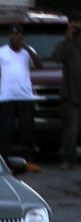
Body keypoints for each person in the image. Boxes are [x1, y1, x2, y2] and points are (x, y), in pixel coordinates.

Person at [0, 24, 43, 169]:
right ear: (9, 36)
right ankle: (5, 163)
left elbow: (39, 65)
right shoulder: (0, 52)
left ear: (22, 37)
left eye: (19, 34)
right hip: (6, 97)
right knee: (6, 131)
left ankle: (29, 162)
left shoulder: (28, 51)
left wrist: (26, 48)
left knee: (27, 131)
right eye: (13, 34)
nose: (15, 37)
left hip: (26, 97)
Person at [54, 12, 81, 169]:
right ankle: (67, 159)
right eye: (73, 23)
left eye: (78, 23)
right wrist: (67, 39)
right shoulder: (66, 43)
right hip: (71, 96)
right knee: (70, 131)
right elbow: (57, 58)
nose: (76, 26)